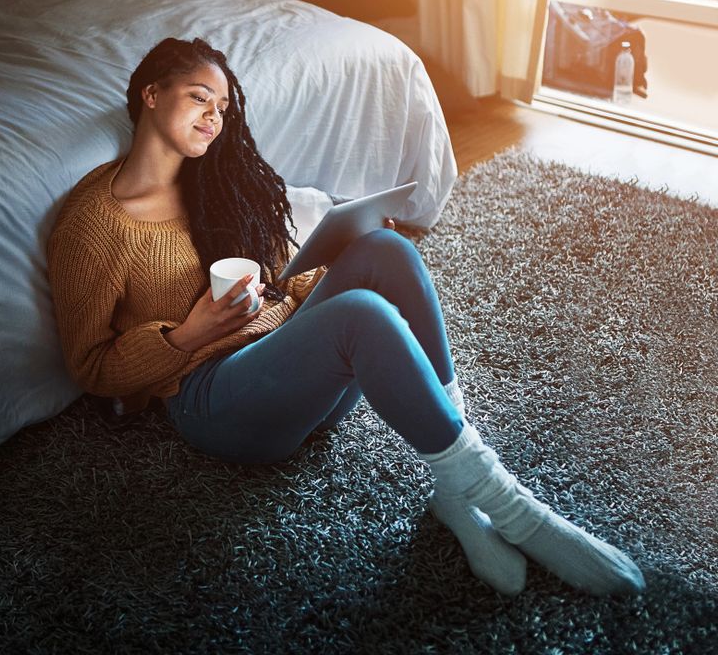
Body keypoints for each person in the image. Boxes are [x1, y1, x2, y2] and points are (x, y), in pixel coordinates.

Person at [47, 37, 645, 597]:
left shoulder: (214, 182)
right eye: (200, 98)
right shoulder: (96, 223)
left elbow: (279, 275)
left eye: (224, 107)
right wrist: (184, 336)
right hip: (214, 404)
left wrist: (315, 269)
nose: (214, 117)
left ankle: (457, 491)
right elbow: (90, 367)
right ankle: (510, 505)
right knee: (360, 313)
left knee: (386, 250)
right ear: (151, 95)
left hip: (293, 373)